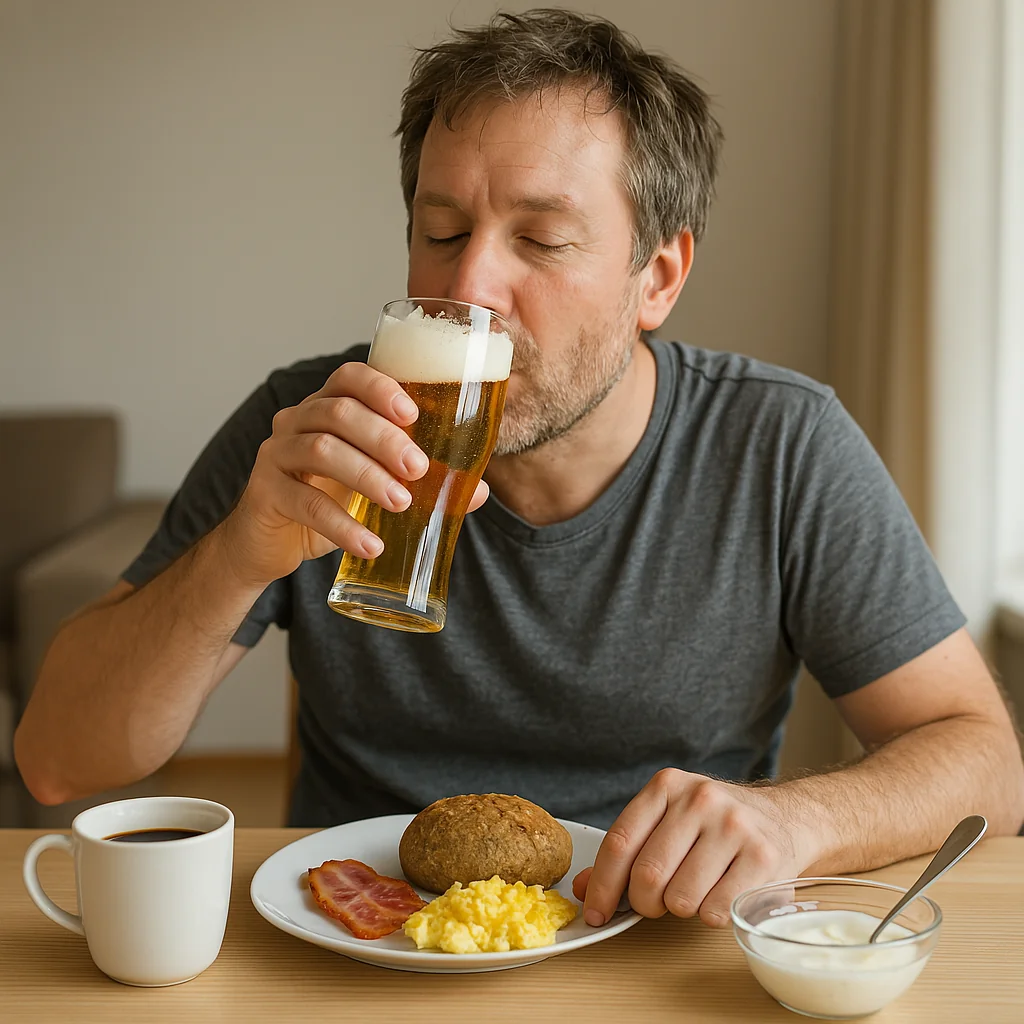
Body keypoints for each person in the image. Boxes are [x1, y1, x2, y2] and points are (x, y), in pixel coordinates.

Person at [15, 9, 1024, 931]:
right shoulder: (318, 428)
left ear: (658, 277)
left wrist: (798, 822)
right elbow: (57, 759)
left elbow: (986, 764)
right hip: (360, 947)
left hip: (652, 954)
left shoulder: (779, 445)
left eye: (539, 240)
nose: (467, 289)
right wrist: (239, 554)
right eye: (439, 232)